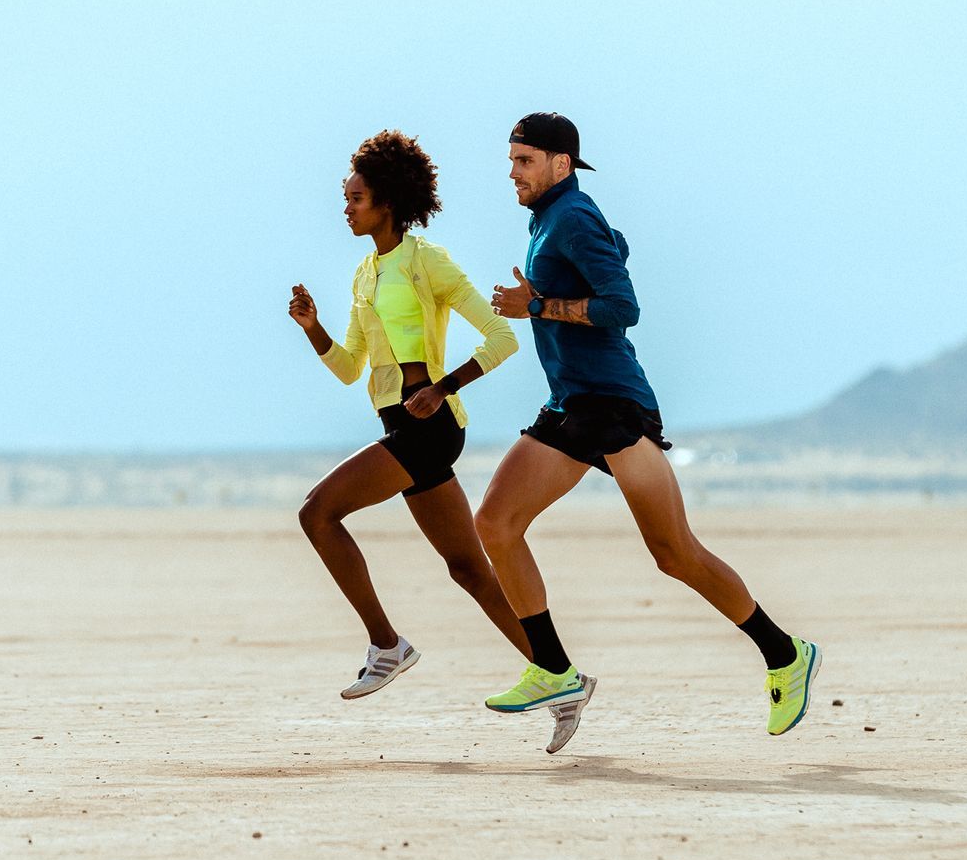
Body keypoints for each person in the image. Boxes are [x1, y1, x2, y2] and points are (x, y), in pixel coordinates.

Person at [476, 112, 819, 751]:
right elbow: (612, 253)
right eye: (511, 162)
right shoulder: (553, 218)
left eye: (524, 162)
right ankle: (553, 670)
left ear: (561, 162)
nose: (514, 175)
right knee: (496, 523)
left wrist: (538, 307)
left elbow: (623, 305)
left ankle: (785, 654)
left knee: (674, 553)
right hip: (574, 405)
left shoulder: (571, 216)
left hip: (611, 406)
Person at [288, 129, 530, 700]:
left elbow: (501, 340)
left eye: (355, 199)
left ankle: (386, 644)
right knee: (468, 568)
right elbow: (351, 369)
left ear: (387, 203)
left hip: (430, 427)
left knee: (317, 514)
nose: (345, 208)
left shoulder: (427, 263)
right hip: (399, 425)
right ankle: (560, 672)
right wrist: (312, 327)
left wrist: (442, 388)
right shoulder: (365, 275)